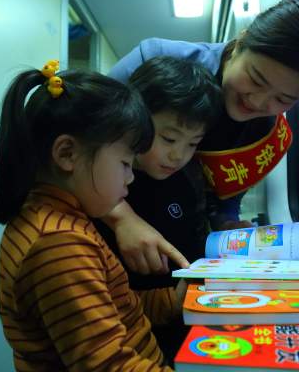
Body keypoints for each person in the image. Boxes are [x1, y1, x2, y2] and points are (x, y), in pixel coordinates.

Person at [101, 0, 299, 276]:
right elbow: (86, 146)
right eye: (256, 79)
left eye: (283, 99)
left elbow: (225, 192)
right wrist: (123, 219)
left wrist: (226, 225)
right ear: (241, 41)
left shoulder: (267, 131)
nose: (259, 102)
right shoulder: (153, 62)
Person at [0, 61, 188, 371]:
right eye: (125, 162)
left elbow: (119, 307)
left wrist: (174, 302)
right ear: (67, 154)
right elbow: (108, 365)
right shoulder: (58, 243)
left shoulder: (64, 218)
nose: (130, 178)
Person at [94, 56, 222, 365]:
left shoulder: (190, 176)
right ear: (134, 119)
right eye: (168, 138)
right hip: (128, 325)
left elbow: (196, 235)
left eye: (193, 143)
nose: (179, 155)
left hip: (186, 312)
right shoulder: (101, 181)